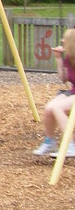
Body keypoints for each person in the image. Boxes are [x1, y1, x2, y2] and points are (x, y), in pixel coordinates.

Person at [33, 28, 75, 157]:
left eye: (65, 39)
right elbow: (63, 79)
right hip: (73, 91)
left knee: (58, 108)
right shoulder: (69, 58)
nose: (62, 40)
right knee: (49, 108)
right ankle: (50, 141)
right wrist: (58, 59)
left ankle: (71, 145)